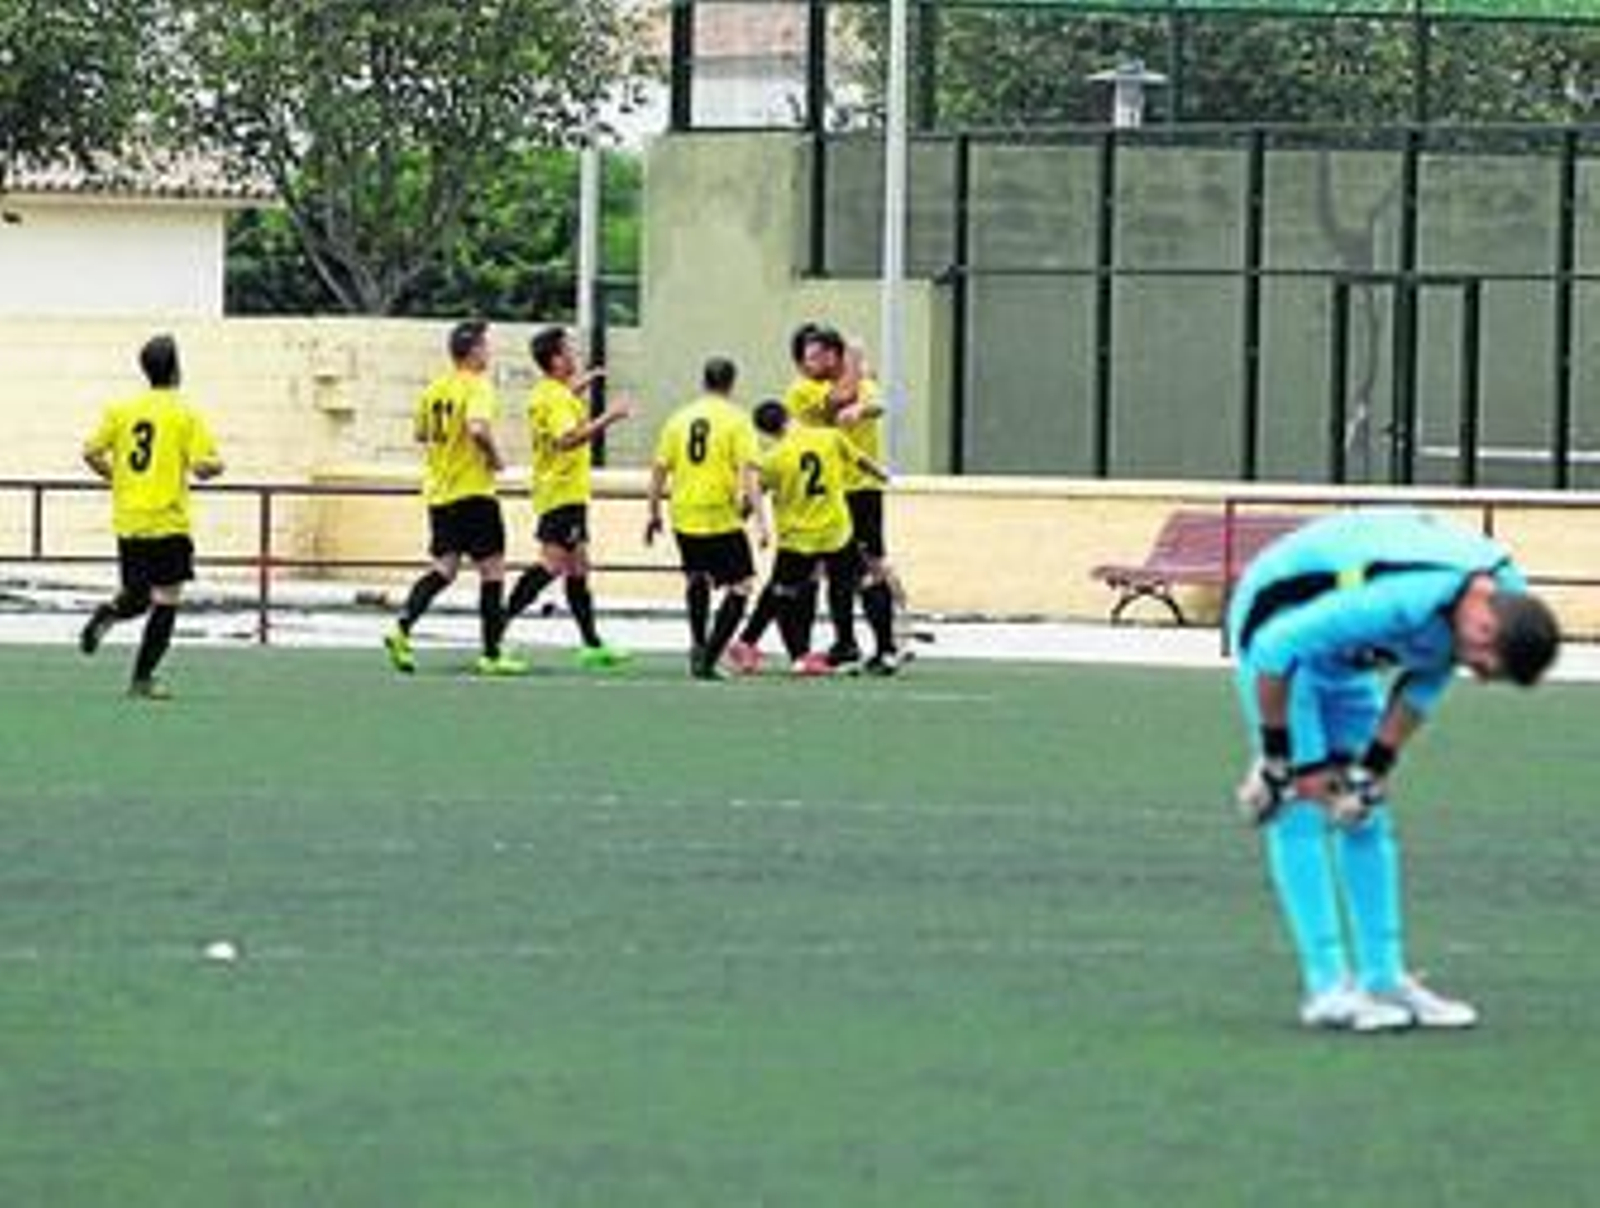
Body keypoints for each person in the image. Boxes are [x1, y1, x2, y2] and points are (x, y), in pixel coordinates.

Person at [1230, 508, 1561, 1033]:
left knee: (1364, 810)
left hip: (1347, 655)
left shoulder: (1504, 605)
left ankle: (1383, 977)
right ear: (1483, 621)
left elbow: (1428, 679)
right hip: (1278, 623)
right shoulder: (1406, 598)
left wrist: (1373, 768)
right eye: (1480, 661)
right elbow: (1276, 647)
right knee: (1302, 806)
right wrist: (1283, 760)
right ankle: (1327, 988)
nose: (1476, 673)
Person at [79, 334, 225, 698]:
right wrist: (216, 465)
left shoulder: (122, 410)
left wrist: (116, 479)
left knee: (138, 596)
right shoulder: (185, 413)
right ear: (176, 370)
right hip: (168, 520)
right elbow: (203, 467)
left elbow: (91, 452)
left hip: (129, 520)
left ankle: (109, 613)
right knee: (166, 600)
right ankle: (142, 679)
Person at [383, 319, 525, 676]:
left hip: (440, 493)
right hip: (473, 492)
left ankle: (401, 627)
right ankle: (492, 654)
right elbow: (477, 428)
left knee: (443, 569)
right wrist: (494, 458)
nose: (489, 352)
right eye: (486, 346)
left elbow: (421, 433)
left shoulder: (435, 389)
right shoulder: (477, 386)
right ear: (474, 351)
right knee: (492, 571)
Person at [501, 325, 634, 668]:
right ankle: (496, 629)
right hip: (562, 494)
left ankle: (591, 644)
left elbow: (560, 410)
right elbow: (567, 438)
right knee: (552, 565)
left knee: (579, 568)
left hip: (559, 491)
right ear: (556, 359)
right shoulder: (557, 398)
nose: (574, 355)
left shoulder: (548, 392)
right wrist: (610, 417)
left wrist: (584, 383)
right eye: (569, 351)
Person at [733, 399, 886, 676]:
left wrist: (748, 518)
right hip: (836, 532)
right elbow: (861, 460)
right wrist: (882, 475)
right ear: (789, 416)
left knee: (783, 593)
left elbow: (753, 495)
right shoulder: (829, 437)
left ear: (767, 432)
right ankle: (871, 648)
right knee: (859, 582)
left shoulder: (773, 458)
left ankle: (794, 652)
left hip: (798, 537)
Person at [644, 356, 768, 680]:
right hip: (720, 514)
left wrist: (653, 511)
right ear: (731, 383)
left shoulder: (679, 418)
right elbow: (750, 473)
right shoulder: (738, 421)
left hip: (684, 512)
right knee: (741, 585)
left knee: (696, 577)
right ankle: (710, 657)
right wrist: (760, 519)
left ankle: (698, 644)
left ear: (704, 381)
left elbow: (659, 468)